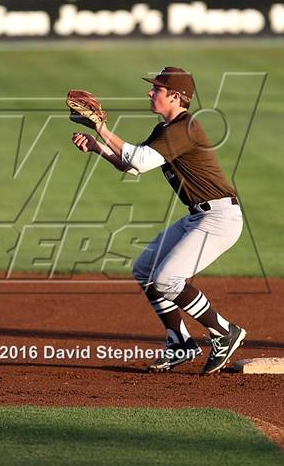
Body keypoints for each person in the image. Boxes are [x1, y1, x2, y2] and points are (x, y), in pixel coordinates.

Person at [71, 66, 246, 375]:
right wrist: (98, 147)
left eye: (157, 89)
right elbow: (133, 167)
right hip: (199, 216)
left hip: (220, 218)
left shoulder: (184, 128)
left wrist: (101, 128)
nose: (151, 93)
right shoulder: (165, 129)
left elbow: (138, 159)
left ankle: (224, 332)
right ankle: (180, 343)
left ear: (175, 97)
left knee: (167, 279)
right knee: (145, 270)